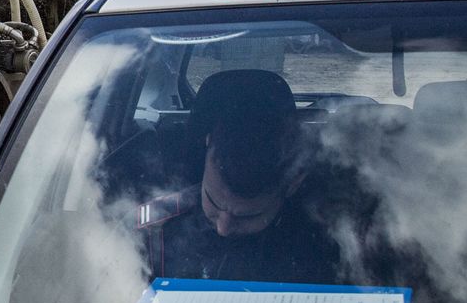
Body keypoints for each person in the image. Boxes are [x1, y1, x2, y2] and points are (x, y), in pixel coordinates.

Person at [137, 69, 337, 284]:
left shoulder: (330, 241)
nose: (223, 228)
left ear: (293, 183)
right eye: (212, 202)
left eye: (247, 217)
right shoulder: (153, 231)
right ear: (207, 144)